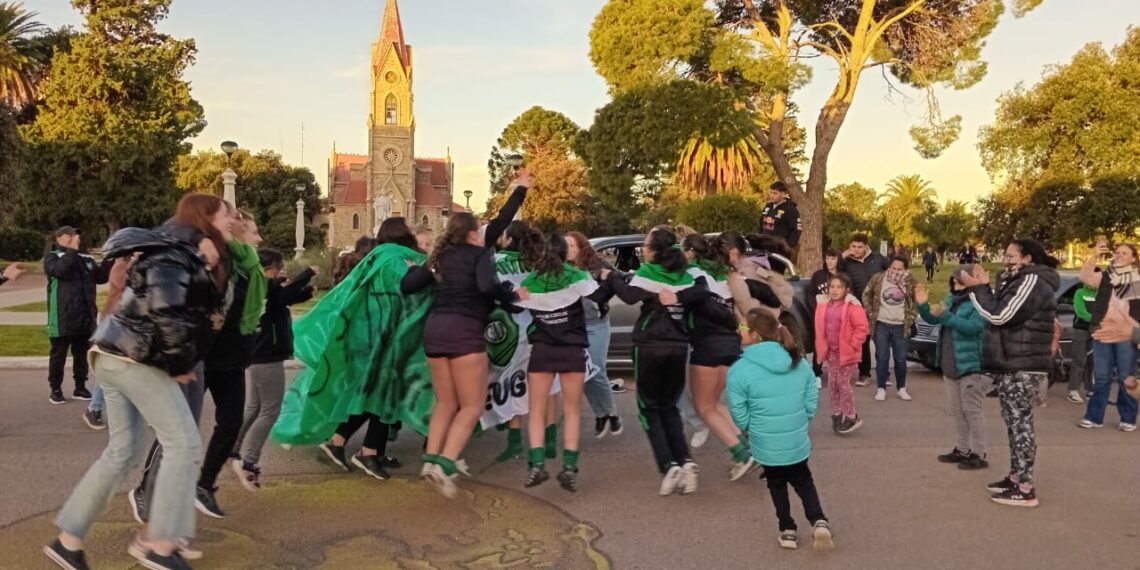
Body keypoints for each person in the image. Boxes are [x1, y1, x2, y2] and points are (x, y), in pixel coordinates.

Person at [43, 195, 231, 570]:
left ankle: (68, 541)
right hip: (134, 356)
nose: (232, 221)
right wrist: (180, 363)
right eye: (226, 215)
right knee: (183, 442)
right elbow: (167, 308)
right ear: (206, 217)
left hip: (114, 354)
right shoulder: (176, 252)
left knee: (123, 451)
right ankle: (160, 545)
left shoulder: (177, 248)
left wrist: (207, 265)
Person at [400, 211, 528, 499]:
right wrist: (514, 295)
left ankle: (430, 460)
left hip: (435, 330)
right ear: (473, 232)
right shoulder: (479, 254)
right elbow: (487, 287)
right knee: (471, 405)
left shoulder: (437, 258)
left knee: (445, 401)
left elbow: (407, 286)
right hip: (465, 331)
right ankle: (445, 465)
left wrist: (416, 269)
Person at [608, 226, 714, 496]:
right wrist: (679, 297)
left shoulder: (648, 273)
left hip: (650, 348)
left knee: (649, 409)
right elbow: (704, 291)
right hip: (679, 347)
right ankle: (686, 462)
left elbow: (628, 294)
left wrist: (611, 276)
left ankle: (668, 465)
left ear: (654, 251)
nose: (643, 248)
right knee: (669, 408)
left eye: (645, 244)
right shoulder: (688, 273)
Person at [958, 238, 1059, 508]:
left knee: (1021, 426)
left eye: (1011, 255)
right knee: (1015, 424)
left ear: (1028, 258)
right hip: (1012, 362)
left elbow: (1000, 316)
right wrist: (985, 288)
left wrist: (979, 288)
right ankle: (1016, 477)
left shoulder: (1033, 281)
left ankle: (1025, 488)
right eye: (1005, 254)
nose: (1005, 259)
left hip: (1023, 365)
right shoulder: (1016, 280)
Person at [319, 218, 419, 479]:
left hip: (371, 334)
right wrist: (420, 271)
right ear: (400, 233)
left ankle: (339, 442)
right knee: (381, 395)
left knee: (369, 394)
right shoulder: (393, 258)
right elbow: (406, 286)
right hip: (385, 336)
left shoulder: (379, 255)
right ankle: (368, 451)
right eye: (407, 227)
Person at [728, 308, 833, 552]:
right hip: (795, 437)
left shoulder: (740, 369)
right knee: (804, 480)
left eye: (742, 328)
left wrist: (748, 427)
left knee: (776, 484)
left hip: (765, 441)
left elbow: (738, 408)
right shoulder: (796, 359)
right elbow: (810, 389)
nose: (738, 331)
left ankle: (787, 529)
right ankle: (818, 520)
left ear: (754, 335)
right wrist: (806, 413)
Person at [515, 231, 612, 492]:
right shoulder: (577, 276)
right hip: (572, 351)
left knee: (535, 410)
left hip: (542, 351)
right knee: (571, 411)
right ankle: (569, 467)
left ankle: (537, 464)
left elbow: (514, 302)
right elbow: (599, 294)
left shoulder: (531, 280)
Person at [194, 212, 268, 519]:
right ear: (235, 232)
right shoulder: (225, 260)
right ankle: (149, 487)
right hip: (206, 353)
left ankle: (204, 485)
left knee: (231, 422)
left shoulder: (249, 266)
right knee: (177, 426)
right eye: (253, 231)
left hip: (234, 356)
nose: (259, 238)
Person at [231, 248, 317, 490]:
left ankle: (232, 448)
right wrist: (307, 274)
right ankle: (250, 461)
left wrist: (304, 291)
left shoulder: (262, 288)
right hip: (266, 357)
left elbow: (284, 298)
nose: (282, 272)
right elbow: (281, 294)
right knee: (270, 410)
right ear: (269, 269)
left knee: (255, 406)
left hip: (259, 355)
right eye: (279, 268)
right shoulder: (262, 287)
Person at [682, 233, 756, 480]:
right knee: (715, 403)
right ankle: (745, 445)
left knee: (704, 406)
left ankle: (740, 453)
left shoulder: (692, 274)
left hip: (706, 344)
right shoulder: (727, 275)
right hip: (730, 343)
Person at [916, 268, 992, 470]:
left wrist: (946, 316)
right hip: (950, 363)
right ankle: (962, 449)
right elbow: (935, 317)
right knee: (957, 411)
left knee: (972, 411)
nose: (956, 287)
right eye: (954, 283)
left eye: (961, 283)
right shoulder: (951, 298)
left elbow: (973, 328)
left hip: (971, 364)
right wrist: (923, 306)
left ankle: (979, 453)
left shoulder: (980, 303)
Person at [44, 226, 113, 404]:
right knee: (58, 355)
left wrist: (112, 257)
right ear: (58, 238)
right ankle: (56, 389)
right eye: (68, 235)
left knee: (81, 354)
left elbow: (101, 277)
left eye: (75, 235)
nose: (73, 237)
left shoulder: (86, 259)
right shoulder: (53, 257)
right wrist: (72, 250)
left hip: (85, 317)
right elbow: (60, 271)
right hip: (62, 317)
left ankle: (80, 386)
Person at [565, 231, 623, 439]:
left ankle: (612, 413)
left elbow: (618, 281)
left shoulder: (598, 265)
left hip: (597, 324)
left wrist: (601, 296)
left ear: (582, 247)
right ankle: (600, 414)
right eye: (566, 246)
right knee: (584, 373)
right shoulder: (562, 268)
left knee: (597, 370)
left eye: (572, 246)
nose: (569, 251)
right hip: (574, 326)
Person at [1078, 240, 1140, 431]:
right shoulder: (1106, 277)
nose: (1119, 256)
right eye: (1117, 252)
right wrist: (1094, 255)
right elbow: (1086, 277)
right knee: (1102, 377)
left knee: (1125, 377)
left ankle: (1128, 418)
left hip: (1125, 334)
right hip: (1103, 332)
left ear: (1133, 259)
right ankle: (1094, 417)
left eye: (1124, 253)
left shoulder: (1136, 280)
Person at [814, 274, 869, 434]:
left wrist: (852, 344)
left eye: (839, 287)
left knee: (842, 383)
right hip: (832, 351)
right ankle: (837, 414)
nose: (835, 290)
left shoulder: (852, 306)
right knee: (832, 383)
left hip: (847, 352)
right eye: (832, 287)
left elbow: (862, 328)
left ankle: (852, 416)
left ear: (847, 289)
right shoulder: (824, 305)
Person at [82, 256, 131, 431]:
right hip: (114, 323)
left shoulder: (134, 265)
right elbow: (130, 289)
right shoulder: (120, 266)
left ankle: (144, 412)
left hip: (129, 324)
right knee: (112, 368)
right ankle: (93, 408)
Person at [863, 255, 917, 401]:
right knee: (882, 357)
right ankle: (881, 388)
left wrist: (911, 316)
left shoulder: (910, 281)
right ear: (889, 267)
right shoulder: (878, 278)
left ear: (905, 269)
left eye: (900, 269)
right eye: (893, 268)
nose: (896, 271)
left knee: (900, 358)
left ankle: (901, 388)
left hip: (901, 325)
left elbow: (917, 300)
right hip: (881, 323)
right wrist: (870, 311)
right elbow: (866, 294)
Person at [838, 233, 889, 385]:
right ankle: (864, 374)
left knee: (881, 341)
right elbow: (835, 271)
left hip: (880, 306)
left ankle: (884, 374)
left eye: (860, 247)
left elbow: (894, 269)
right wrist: (843, 256)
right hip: (859, 307)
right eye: (853, 246)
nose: (856, 250)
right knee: (863, 341)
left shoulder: (878, 258)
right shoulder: (846, 262)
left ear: (866, 246)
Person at [806, 250, 841, 378]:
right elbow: (810, 293)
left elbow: (848, 293)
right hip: (821, 314)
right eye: (827, 258)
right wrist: (816, 308)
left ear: (838, 260)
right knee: (820, 343)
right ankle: (817, 373)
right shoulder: (818, 275)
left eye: (833, 258)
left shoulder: (842, 275)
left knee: (837, 344)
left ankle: (836, 371)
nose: (830, 261)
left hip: (838, 314)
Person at [1066, 273, 1097, 404]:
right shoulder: (1080, 292)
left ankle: (1091, 390)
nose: (1092, 281)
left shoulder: (1101, 293)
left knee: (1094, 361)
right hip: (1081, 330)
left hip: (1097, 330)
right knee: (1079, 360)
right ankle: (1073, 390)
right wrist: (1098, 319)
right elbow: (1081, 312)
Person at [758, 181, 801, 274]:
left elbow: (796, 231)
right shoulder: (768, 207)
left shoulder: (790, 210)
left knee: (774, 278)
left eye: (775, 193)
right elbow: (761, 225)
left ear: (783, 194)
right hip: (764, 250)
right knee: (762, 276)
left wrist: (786, 247)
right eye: (771, 192)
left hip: (779, 252)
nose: (772, 195)